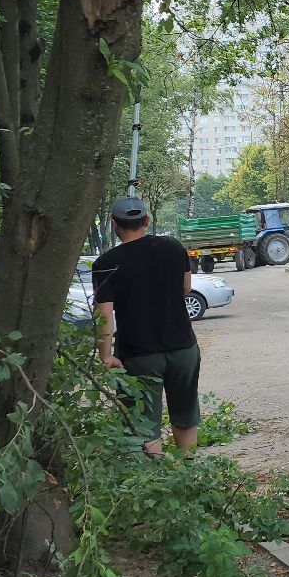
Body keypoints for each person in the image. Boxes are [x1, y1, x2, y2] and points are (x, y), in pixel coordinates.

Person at [92, 195, 201, 458]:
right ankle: (189, 475)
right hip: (183, 348)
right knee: (185, 413)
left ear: (114, 224)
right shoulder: (173, 247)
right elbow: (186, 287)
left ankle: (154, 481)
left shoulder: (106, 264)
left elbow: (104, 316)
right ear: (147, 221)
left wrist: (106, 355)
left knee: (144, 422)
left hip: (139, 355)